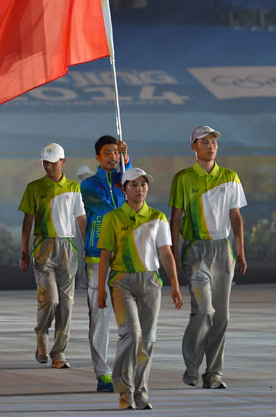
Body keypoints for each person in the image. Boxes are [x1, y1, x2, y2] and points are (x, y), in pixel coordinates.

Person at [97, 168, 182, 410]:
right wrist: (102, 289)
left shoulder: (157, 217)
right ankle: (125, 390)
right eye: (133, 185)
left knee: (148, 340)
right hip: (121, 282)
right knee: (130, 334)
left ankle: (141, 391)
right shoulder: (113, 218)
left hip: (150, 283)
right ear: (124, 190)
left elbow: (166, 252)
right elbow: (105, 256)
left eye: (143, 184)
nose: (139, 189)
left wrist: (175, 284)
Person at [169, 126, 247, 389]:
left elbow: (236, 217)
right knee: (203, 311)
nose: (211, 146)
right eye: (205, 142)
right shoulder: (183, 178)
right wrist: (171, 250)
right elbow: (176, 218)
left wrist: (240, 251)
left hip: (222, 251)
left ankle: (214, 373)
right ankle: (191, 368)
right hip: (195, 250)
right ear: (194, 146)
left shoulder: (230, 177)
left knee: (222, 317)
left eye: (214, 142)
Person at [19, 143, 86, 369]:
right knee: (50, 300)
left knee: (66, 304)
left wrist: (89, 249)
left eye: (52, 162)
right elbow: (27, 221)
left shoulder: (74, 188)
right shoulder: (34, 187)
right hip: (43, 248)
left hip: (68, 249)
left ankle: (59, 353)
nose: (48, 166)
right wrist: (25, 251)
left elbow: (81, 220)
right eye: (45, 163)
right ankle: (41, 336)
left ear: (63, 162)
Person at [80, 136, 130, 392]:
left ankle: (125, 369)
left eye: (116, 152)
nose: (112, 156)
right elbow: (112, 208)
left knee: (129, 318)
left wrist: (128, 165)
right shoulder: (88, 186)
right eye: (107, 153)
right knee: (100, 316)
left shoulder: (126, 180)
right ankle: (103, 374)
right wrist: (124, 173)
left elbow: (135, 193)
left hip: (125, 257)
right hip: (97, 259)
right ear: (97, 157)